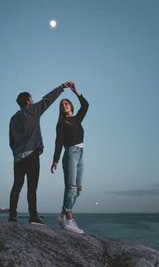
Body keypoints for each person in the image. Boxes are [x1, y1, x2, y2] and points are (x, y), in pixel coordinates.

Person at [9, 81, 73, 225]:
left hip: (18, 158)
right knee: (32, 187)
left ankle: (12, 216)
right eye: (31, 99)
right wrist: (62, 87)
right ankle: (33, 217)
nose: (33, 100)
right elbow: (48, 100)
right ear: (28, 101)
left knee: (16, 186)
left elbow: (11, 141)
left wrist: (16, 153)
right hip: (31, 155)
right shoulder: (33, 110)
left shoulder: (13, 119)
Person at [50, 83, 89, 233]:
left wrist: (76, 91)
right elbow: (58, 142)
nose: (64, 105)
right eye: (62, 105)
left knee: (78, 188)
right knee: (71, 187)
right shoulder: (61, 123)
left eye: (66, 103)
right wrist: (55, 160)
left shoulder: (77, 119)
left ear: (71, 106)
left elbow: (85, 105)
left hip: (81, 153)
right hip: (70, 154)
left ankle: (62, 214)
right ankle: (68, 219)